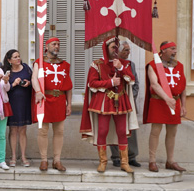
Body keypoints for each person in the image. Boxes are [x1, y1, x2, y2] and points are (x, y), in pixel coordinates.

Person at [80, 36, 137, 173]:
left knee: (122, 131)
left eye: (117, 47)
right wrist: (110, 83)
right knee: (103, 131)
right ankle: (103, 162)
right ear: (106, 49)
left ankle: (124, 163)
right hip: (103, 102)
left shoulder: (125, 64)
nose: (115, 50)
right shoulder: (97, 64)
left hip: (121, 100)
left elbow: (131, 80)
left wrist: (121, 68)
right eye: (113, 47)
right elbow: (92, 83)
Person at [144, 41, 187, 172]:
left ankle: (170, 161)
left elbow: (183, 87)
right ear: (163, 50)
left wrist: (184, 105)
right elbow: (154, 84)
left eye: (175, 49)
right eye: (172, 49)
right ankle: (152, 161)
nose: (175, 51)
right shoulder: (153, 65)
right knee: (155, 132)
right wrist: (166, 98)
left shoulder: (179, 66)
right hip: (158, 102)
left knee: (172, 133)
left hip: (174, 102)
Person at [31, 37, 73, 172]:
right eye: (54, 44)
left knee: (59, 131)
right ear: (47, 46)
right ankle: (44, 160)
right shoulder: (39, 62)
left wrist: (69, 104)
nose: (57, 46)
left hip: (60, 100)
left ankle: (57, 160)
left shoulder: (65, 65)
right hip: (44, 99)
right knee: (43, 131)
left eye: (58, 44)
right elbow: (34, 78)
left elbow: (68, 87)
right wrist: (38, 91)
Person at [110, 40, 141, 168]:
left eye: (129, 50)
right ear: (119, 51)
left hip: (129, 103)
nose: (128, 52)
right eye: (126, 50)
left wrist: (129, 98)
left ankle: (131, 156)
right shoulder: (110, 64)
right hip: (114, 102)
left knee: (131, 130)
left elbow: (136, 84)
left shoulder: (131, 64)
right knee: (115, 130)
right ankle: (116, 157)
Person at [3, 49, 33, 167]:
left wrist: (28, 83)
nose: (18, 59)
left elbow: (33, 81)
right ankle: (13, 156)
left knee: (23, 130)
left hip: (24, 102)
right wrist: (14, 84)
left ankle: (23, 156)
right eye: (15, 57)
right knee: (13, 130)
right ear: (9, 60)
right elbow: (4, 87)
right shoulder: (7, 72)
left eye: (19, 56)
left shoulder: (26, 68)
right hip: (12, 103)